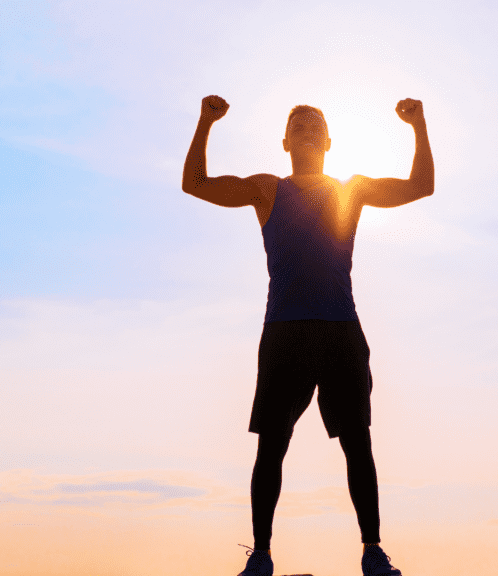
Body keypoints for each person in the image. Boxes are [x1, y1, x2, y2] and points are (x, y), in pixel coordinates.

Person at [181, 94, 433, 576]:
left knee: (358, 442)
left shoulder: (351, 190)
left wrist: (418, 126)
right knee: (271, 446)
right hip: (285, 332)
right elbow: (194, 184)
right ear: (285, 142)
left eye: (315, 123)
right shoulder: (266, 189)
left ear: (329, 142)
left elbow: (422, 186)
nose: (307, 127)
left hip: (341, 330)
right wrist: (204, 122)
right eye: (298, 123)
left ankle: (373, 550)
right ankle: (262, 554)